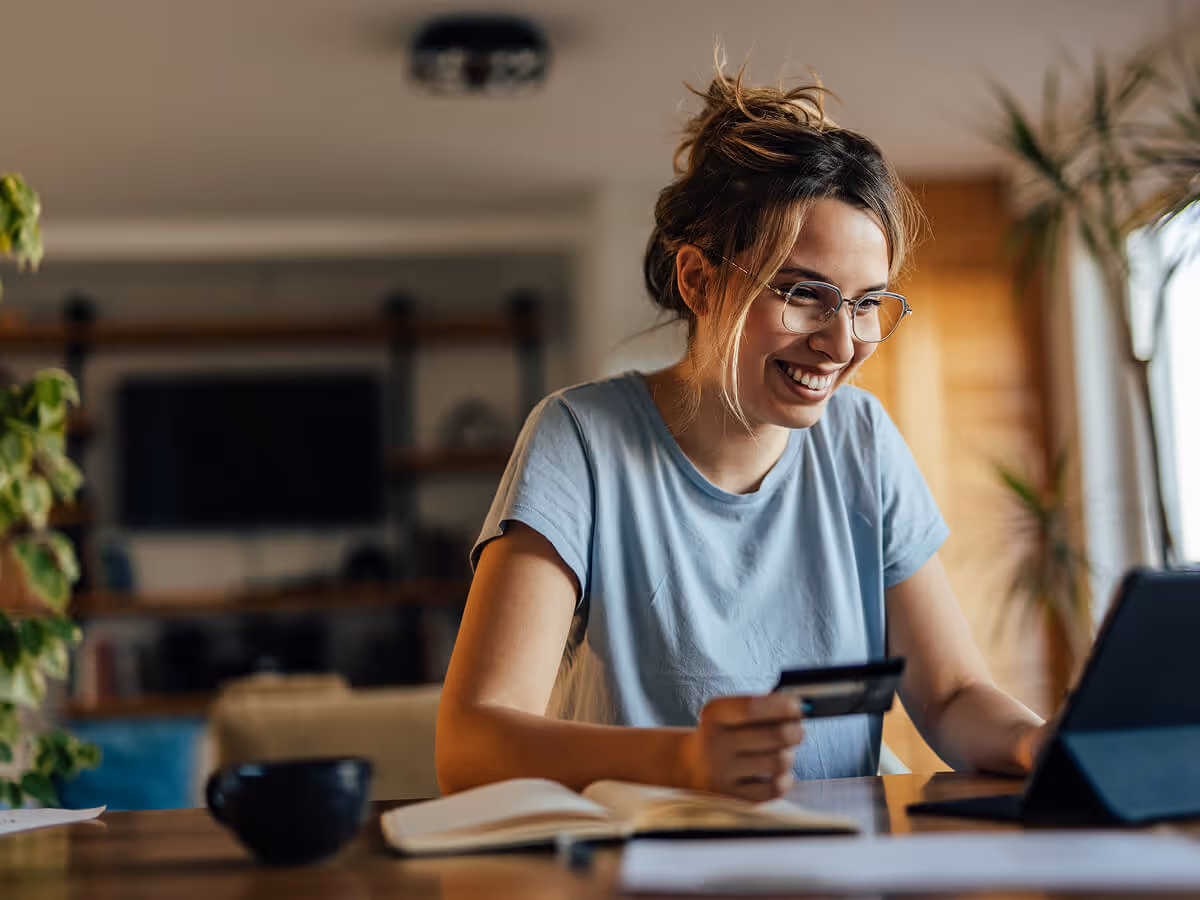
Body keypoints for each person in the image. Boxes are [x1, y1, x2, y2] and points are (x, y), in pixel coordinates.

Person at [436, 61, 1047, 801]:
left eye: (865, 304)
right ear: (697, 281)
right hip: (645, 861)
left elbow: (950, 696)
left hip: (842, 860)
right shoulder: (579, 439)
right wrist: (687, 764)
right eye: (803, 295)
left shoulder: (862, 438)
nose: (842, 341)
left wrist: (1035, 740)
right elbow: (471, 742)